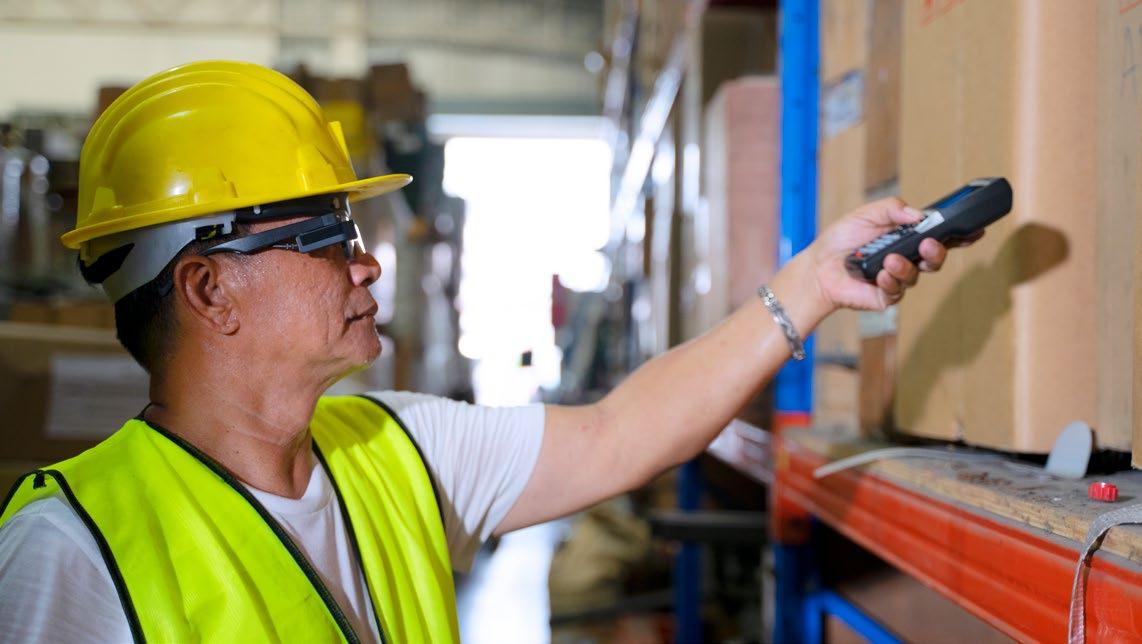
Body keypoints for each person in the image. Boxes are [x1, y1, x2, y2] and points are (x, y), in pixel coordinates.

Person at [0, 61, 969, 643]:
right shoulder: (72, 549)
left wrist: (811, 282)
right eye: (324, 236)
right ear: (209, 290)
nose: (366, 262)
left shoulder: (394, 447)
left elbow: (620, 432)